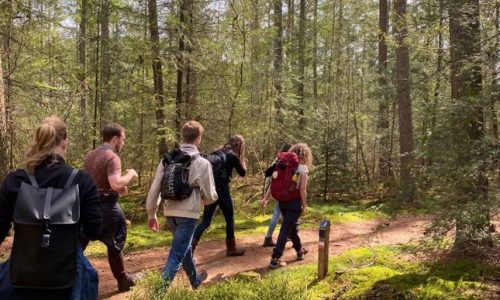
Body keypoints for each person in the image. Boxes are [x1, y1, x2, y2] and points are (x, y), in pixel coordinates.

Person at [0, 116, 101, 299]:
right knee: (89, 279)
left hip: (21, 279)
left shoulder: (15, 181)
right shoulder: (82, 182)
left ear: (38, 141)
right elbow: (94, 229)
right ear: (65, 142)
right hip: (68, 280)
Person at [146, 120, 217, 289]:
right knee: (176, 255)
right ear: (198, 138)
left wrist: (151, 213)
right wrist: (204, 200)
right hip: (188, 214)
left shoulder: (168, 160)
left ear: (183, 136)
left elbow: (155, 187)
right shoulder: (202, 163)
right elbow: (211, 195)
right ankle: (158, 293)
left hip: (170, 212)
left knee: (183, 249)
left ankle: (196, 282)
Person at [82, 123, 139, 292]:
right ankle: (123, 280)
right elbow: (115, 183)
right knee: (115, 243)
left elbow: (98, 182)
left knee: (79, 243)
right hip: (107, 208)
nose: (123, 143)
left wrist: (117, 189)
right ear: (115, 139)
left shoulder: (90, 155)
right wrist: (131, 174)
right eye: (122, 139)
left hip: (89, 205)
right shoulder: (112, 157)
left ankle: (66, 278)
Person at [192, 134, 247, 256]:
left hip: (211, 191)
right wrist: (242, 159)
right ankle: (231, 249)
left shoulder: (215, 152)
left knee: (206, 221)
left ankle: (190, 248)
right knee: (229, 219)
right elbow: (243, 173)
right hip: (223, 191)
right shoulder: (233, 156)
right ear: (239, 145)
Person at [261, 143, 312, 269]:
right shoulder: (302, 168)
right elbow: (302, 190)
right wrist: (304, 206)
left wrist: (266, 198)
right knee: (285, 229)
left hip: (282, 201)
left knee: (291, 228)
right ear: (305, 155)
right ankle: (275, 258)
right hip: (294, 203)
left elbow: (273, 180)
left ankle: (299, 251)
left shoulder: (282, 164)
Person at [260, 143, 292, 247]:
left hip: (276, 190)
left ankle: (287, 235)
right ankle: (268, 237)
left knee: (283, 214)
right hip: (284, 192)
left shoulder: (277, 160)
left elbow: (271, 178)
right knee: (278, 213)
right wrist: (266, 196)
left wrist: (266, 196)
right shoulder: (287, 162)